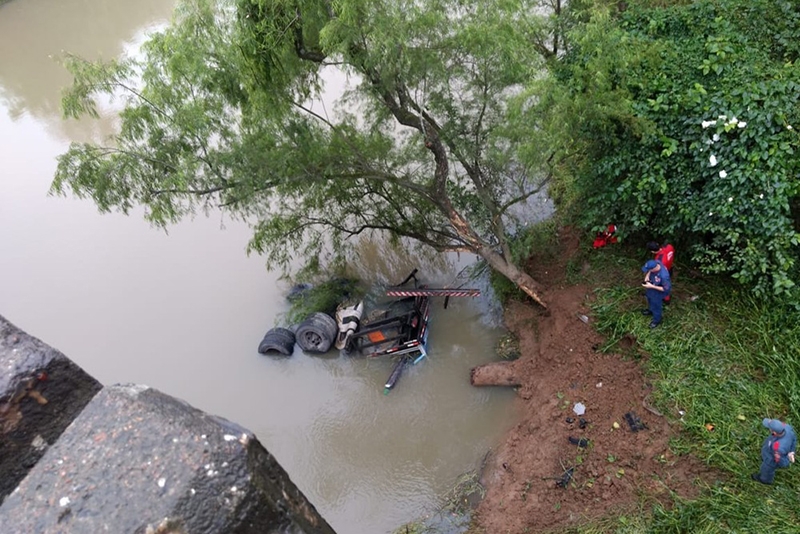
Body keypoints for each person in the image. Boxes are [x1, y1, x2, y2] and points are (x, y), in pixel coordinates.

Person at [752, 418, 797, 485]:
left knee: (767, 469)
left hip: (770, 459)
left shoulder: (778, 447)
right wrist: (792, 451)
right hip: (770, 451)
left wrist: (786, 460)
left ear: (774, 432)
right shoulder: (787, 428)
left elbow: (780, 460)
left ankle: (765, 480)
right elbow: (794, 439)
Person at [641, 259, 671, 328]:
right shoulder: (657, 263)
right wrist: (647, 275)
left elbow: (665, 289)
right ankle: (651, 310)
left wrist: (652, 286)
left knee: (656, 305)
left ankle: (657, 320)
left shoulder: (664, 276)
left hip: (658, 292)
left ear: (654, 268)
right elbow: (651, 269)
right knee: (649, 298)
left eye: (649, 270)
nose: (648, 271)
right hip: (652, 287)